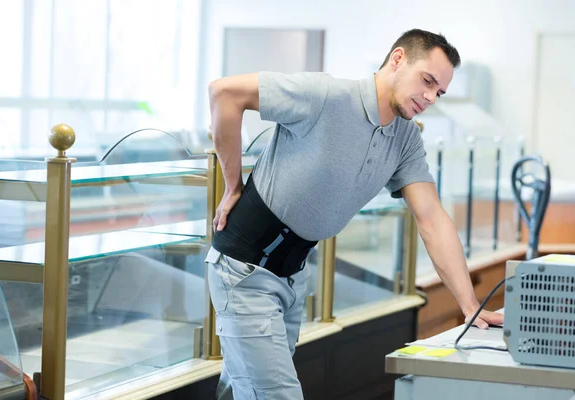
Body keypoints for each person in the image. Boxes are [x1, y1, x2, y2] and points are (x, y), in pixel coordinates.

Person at [205, 28, 504, 399]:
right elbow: (224, 93)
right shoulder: (326, 96)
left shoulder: (405, 138)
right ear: (398, 59)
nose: (430, 97)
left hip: (292, 275)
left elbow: (431, 218)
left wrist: (470, 306)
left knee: (242, 388)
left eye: (439, 92)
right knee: (276, 393)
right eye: (427, 81)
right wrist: (232, 185)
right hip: (244, 270)